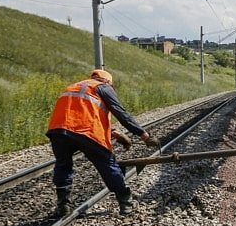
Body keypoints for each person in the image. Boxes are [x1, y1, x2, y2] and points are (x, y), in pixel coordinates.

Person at [46, 69, 160, 217]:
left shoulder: (75, 86)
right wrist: (144, 135)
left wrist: (115, 133)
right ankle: (126, 201)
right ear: (107, 81)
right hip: (87, 132)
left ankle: (63, 205)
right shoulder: (103, 87)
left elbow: (80, 114)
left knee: (63, 165)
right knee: (107, 164)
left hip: (58, 131)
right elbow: (121, 113)